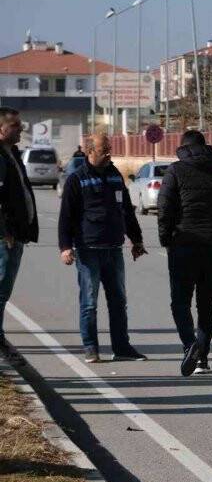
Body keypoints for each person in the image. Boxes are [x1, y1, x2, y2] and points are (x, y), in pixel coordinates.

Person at [57, 133, 147, 363]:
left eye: (109, 149)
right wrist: (66, 246)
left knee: (118, 301)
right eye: (103, 150)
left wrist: (136, 240)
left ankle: (122, 347)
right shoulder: (77, 179)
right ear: (90, 152)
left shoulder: (115, 175)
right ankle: (91, 348)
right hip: (88, 249)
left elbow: (127, 210)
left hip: (113, 249)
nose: (109, 154)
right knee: (89, 302)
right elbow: (66, 217)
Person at [157, 130, 212, 376]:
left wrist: (165, 238)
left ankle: (189, 345)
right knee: (206, 304)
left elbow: (164, 207)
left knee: (180, 302)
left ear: (183, 147)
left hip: (183, 243)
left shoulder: (175, 171)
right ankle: (202, 358)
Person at [0, 107, 38, 366]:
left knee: (4, 291)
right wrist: (4, 232)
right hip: (5, 238)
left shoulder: (12, 153)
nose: (21, 129)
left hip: (16, 235)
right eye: (15, 125)